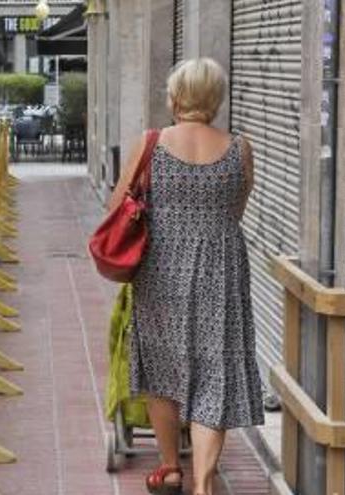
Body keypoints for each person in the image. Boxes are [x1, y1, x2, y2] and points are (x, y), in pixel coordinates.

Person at [106, 58, 262, 495]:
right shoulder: (239, 148)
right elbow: (237, 209)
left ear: (175, 97)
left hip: (160, 273)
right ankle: (204, 481)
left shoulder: (151, 144)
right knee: (216, 372)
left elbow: (117, 205)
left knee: (163, 369)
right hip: (223, 272)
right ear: (216, 100)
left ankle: (171, 467)